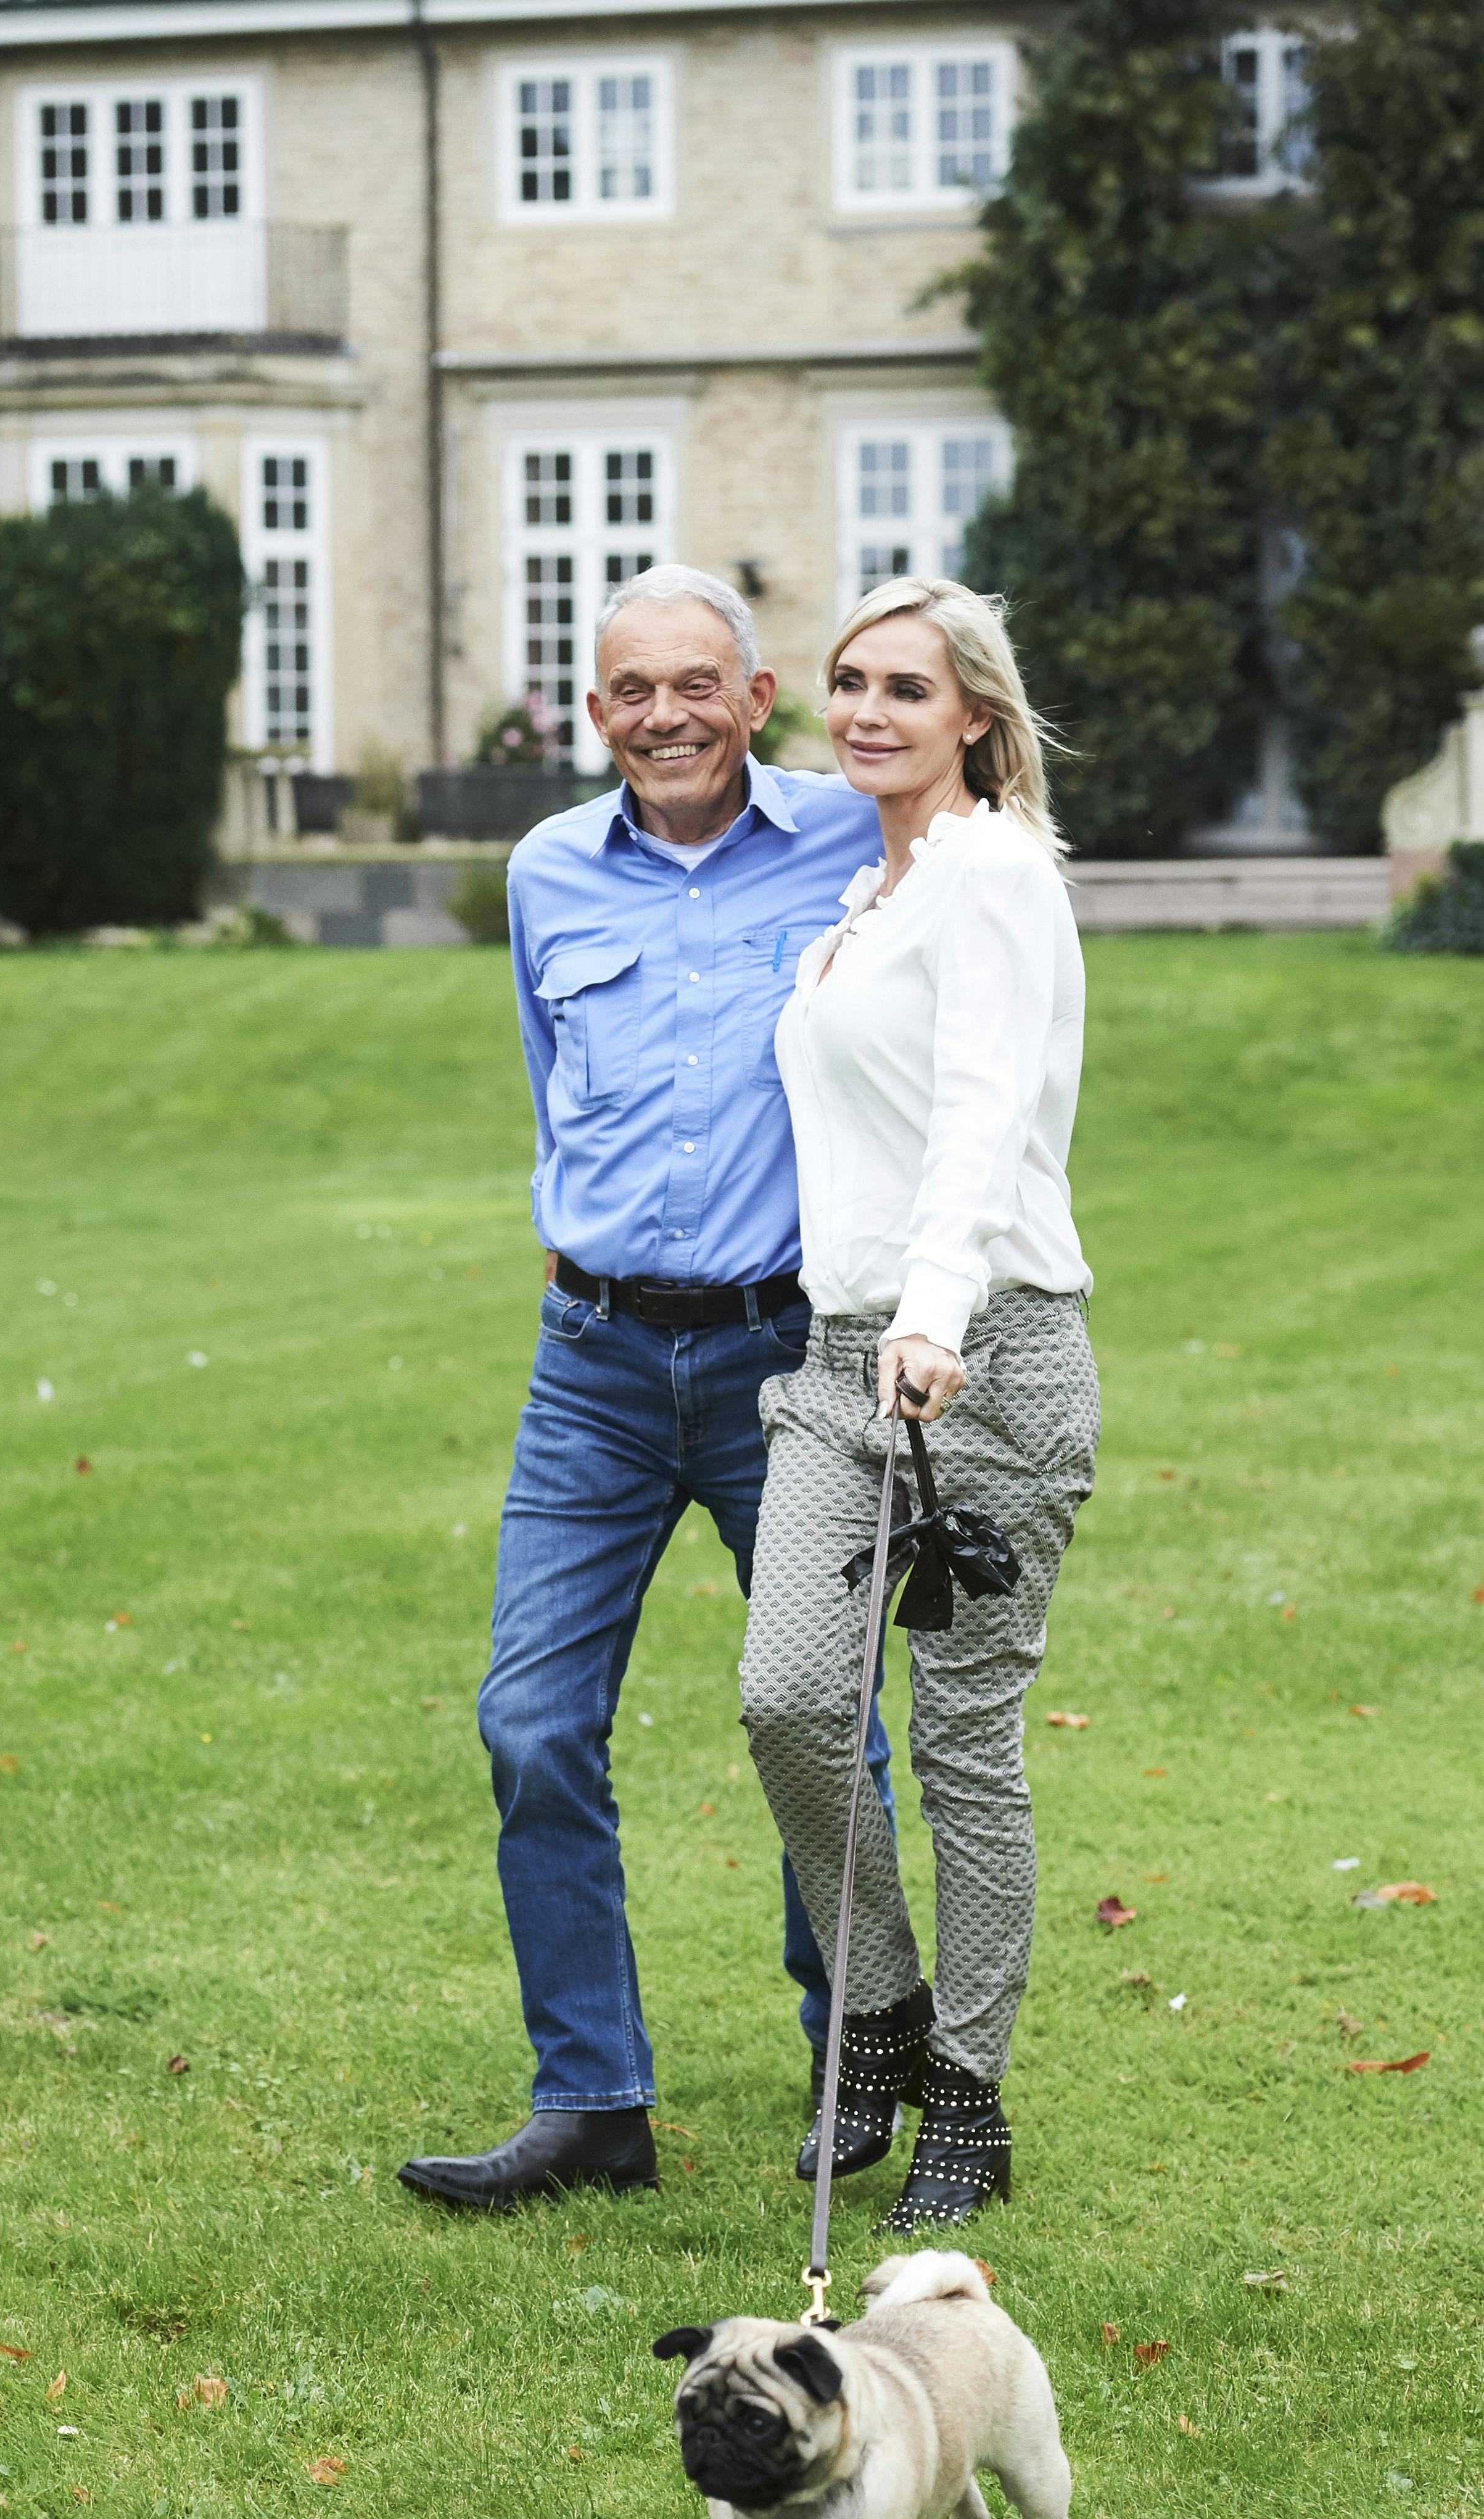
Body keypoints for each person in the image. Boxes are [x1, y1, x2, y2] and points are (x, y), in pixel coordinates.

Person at [398, 565, 890, 2213]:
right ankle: (590, 2099)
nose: (663, 714)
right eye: (629, 689)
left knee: (823, 1726)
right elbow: (557, 1098)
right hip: (594, 1368)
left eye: (696, 683)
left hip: (787, 1361)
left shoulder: (852, 844)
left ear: (758, 700)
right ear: (592, 710)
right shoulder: (548, 872)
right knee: (528, 1720)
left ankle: (859, 2057)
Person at [739, 573, 1097, 2234]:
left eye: (904, 687)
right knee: (789, 1700)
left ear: (975, 716)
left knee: (960, 1743)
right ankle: (872, 2002)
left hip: (987, 1352)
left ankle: (965, 2091)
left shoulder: (994, 876)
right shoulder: (858, 907)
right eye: (845, 684)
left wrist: (938, 1311)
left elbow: (979, 1109)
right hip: (834, 1364)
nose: (866, 710)